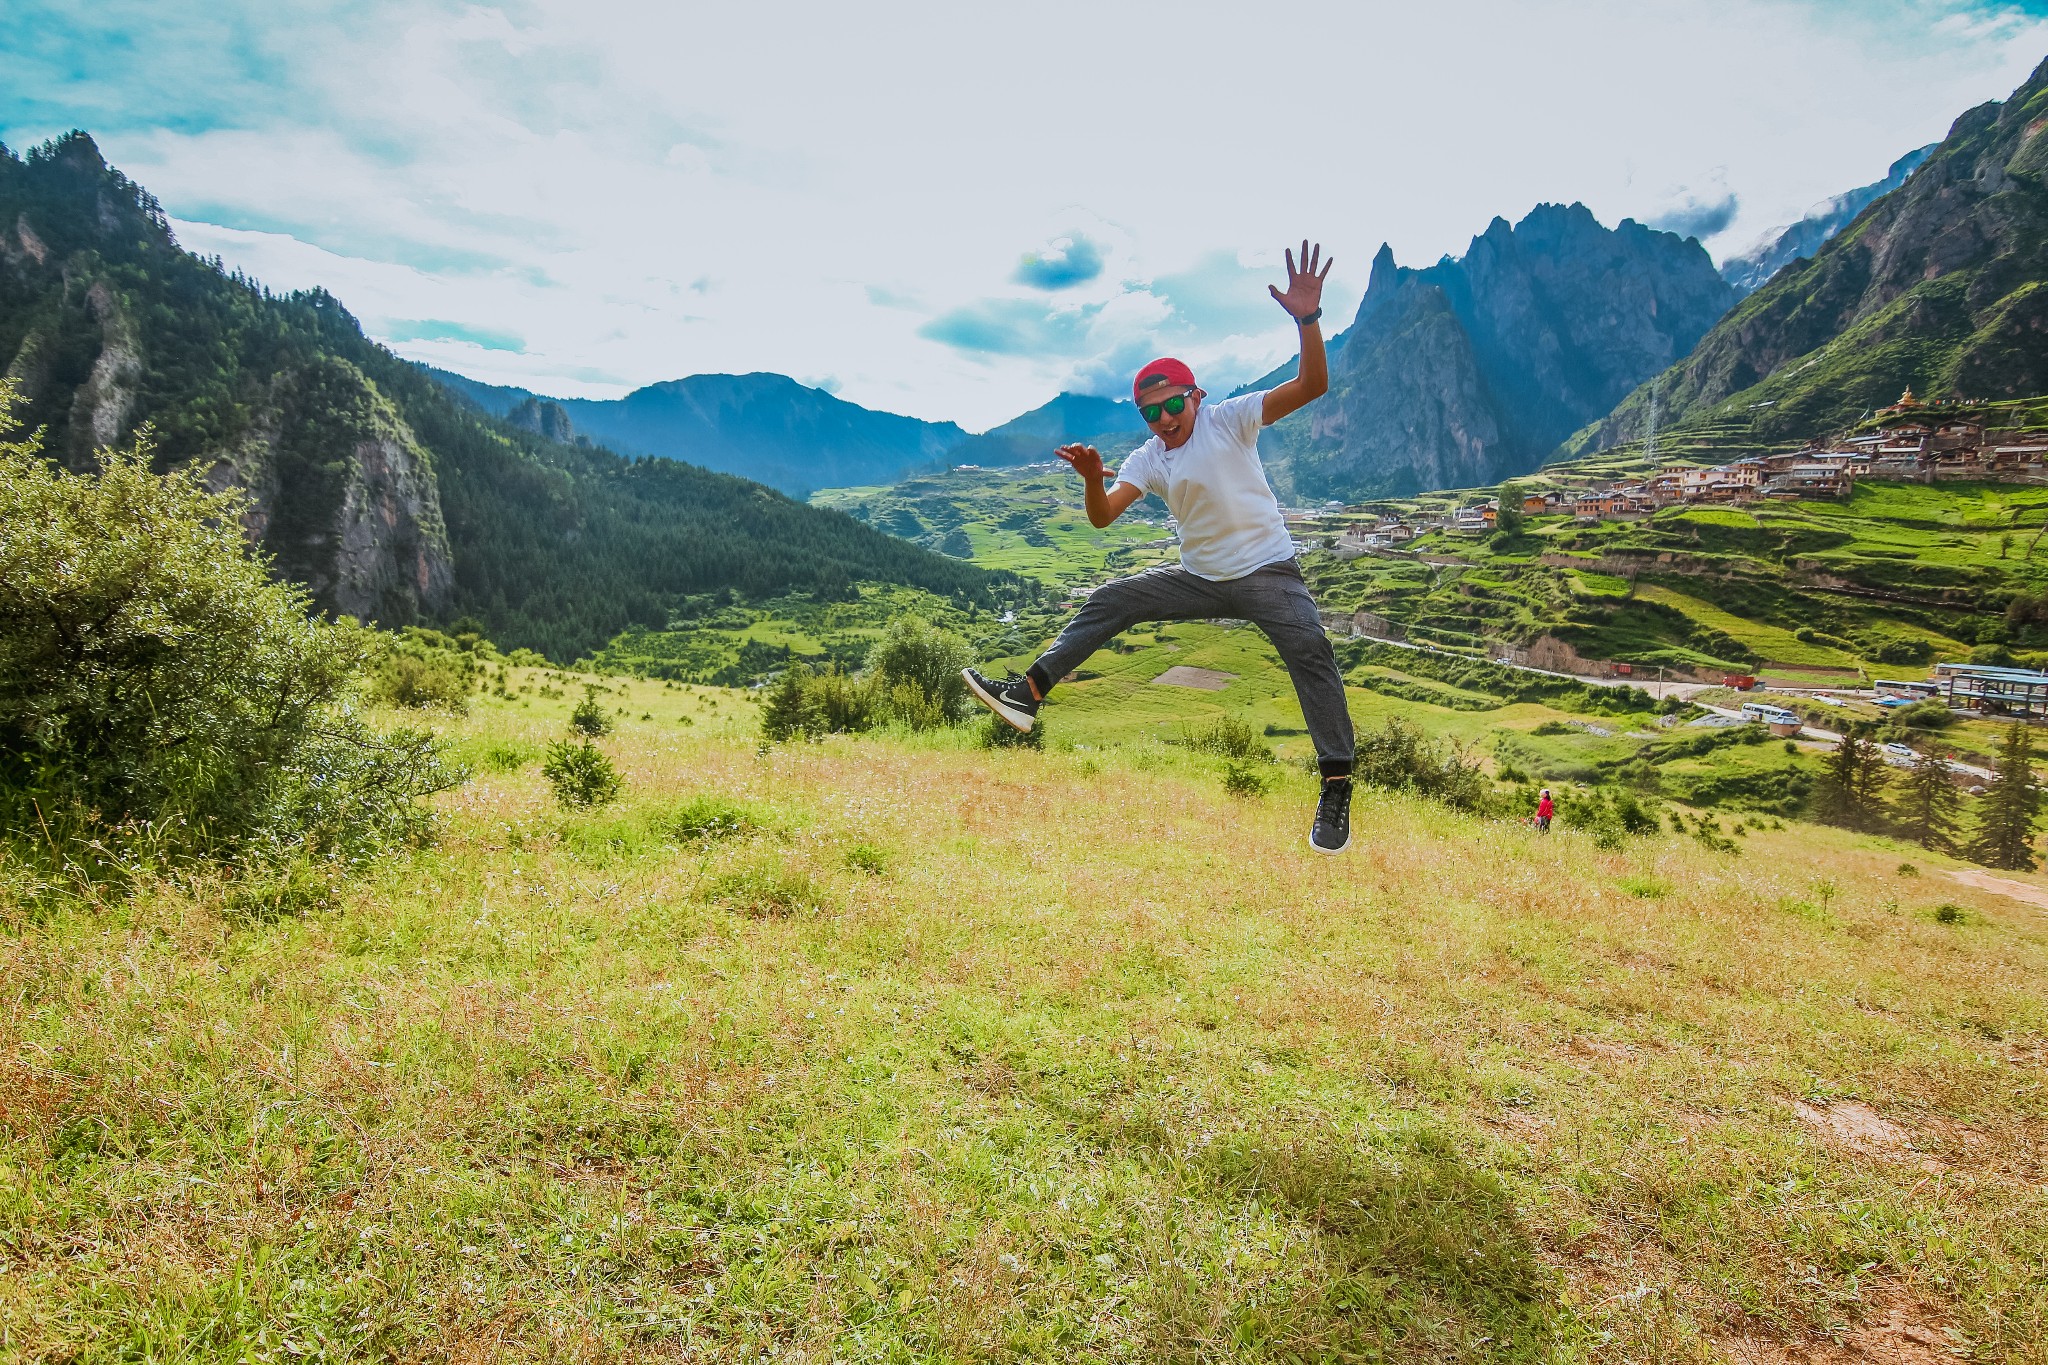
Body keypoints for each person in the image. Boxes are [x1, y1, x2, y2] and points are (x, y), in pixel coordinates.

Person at [962, 242, 1358, 854]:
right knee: (1112, 600)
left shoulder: (1231, 418)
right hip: (1199, 578)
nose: (1166, 418)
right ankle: (1029, 692)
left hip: (1268, 572)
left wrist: (1307, 320)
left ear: (1196, 396)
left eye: (1173, 404)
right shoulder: (1148, 458)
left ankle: (1335, 789)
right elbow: (1103, 519)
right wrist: (1095, 481)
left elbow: (1312, 384)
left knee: (1311, 654)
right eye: (1152, 412)